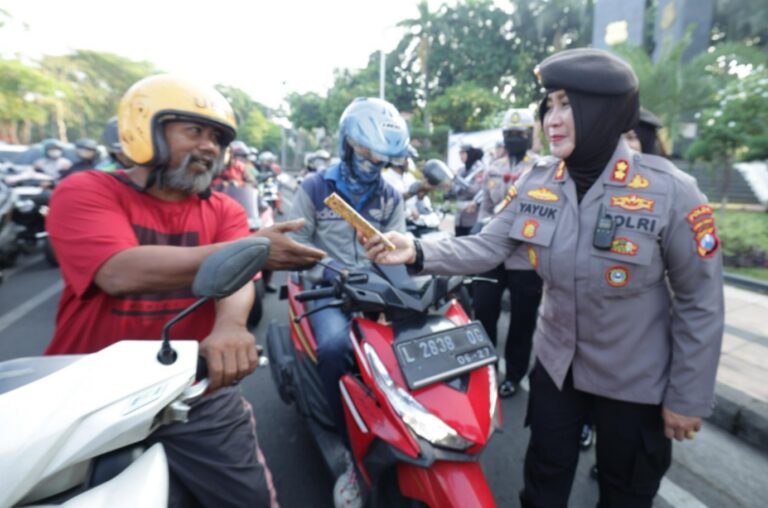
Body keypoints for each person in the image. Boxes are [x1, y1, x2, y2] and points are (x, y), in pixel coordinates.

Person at [363, 48, 724, 508]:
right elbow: (488, 246)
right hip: (558, 369)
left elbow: (700, 299)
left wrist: (688, 394)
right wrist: (416, 250)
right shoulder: (538, 181)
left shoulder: (671, 191)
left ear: (605, 110)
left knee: (626, 494)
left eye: (567, 104)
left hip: (636, 382)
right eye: (548, 105)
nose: (552, 118)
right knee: (542, 486)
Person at [45, 74, 325, 508]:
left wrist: (231, 326)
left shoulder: (226, 209)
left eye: (216, 137)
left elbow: (240, 279)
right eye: (194, 131)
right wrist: (250, 249)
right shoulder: (86, 191)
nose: (210, 146)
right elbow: (118, 272)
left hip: (193, 389)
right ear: (146, 131)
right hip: (87, 388)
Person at [286, 96, 410, 508]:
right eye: (367, 152)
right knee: (337, 348)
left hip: (376, 291)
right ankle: (348, 454)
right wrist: (332, 268)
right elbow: (295, 245)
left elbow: (399, 246)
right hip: (329, 293)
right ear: (348, 145)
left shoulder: (391, 196)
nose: (374, 163)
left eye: (383, 157)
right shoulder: (315, 188)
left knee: (405, 350)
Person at [473, 108, 543, 398]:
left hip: (526, 257)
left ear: (529, 136)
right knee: (484, 309)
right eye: (510, 134)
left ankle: (513, 375)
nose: (514, 139)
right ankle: (485, 366)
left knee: (522, 321)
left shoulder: (542, 168)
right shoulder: (493, 167)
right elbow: (486, 209)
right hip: (492, 253)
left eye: (520, 134)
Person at [451, 144, 486, 236]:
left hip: (472, 215)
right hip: (459, 216)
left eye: (463, 153)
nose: (461, 156)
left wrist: (457, 179)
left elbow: (475, 190)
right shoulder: (461, 170)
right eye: (460, 153)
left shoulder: (479, 170)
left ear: (470, 154)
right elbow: (454, 190)